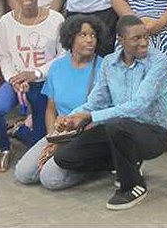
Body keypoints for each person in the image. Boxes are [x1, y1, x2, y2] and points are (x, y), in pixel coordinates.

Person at [52, 15, 167, 211]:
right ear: (120, 40)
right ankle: (126, 161)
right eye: (136, 39)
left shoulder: (159, 61)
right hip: (117, 130)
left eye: (145, 37)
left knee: (117, 124)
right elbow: (96, 101)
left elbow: (138, 105)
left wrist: (91, 117)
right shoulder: (109, 63)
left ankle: (133, 186)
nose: (143, 43)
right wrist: (71, 117)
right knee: (64, 157)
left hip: (153, 134)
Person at [0, 0, 64, 172]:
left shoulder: (56, 19)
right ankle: (4, 148)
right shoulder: (6, 22)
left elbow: (62, 55)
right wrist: (14, 78)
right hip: (17, 83)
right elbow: (3, 55)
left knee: (37, 140)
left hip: (43, 83)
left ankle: (20, 129)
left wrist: (36, 73)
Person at [14, 15, 104, 189]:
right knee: (23, 174)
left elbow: (106, 112)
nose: (90, 40)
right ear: (71, 38)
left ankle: (95, 166)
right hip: (61, 132)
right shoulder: (57, 67)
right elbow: (50, 109)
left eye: (93, 35)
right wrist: (53, 139)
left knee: (50, 180)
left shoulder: (104, 67)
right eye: (83, 35)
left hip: (87, 133)